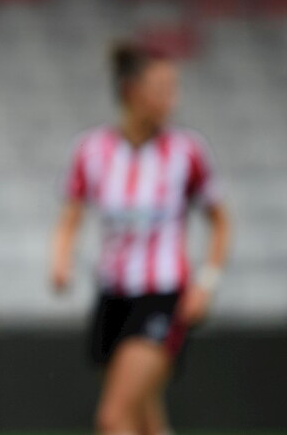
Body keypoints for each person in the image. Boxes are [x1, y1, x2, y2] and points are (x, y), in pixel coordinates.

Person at [51, 42, 230, 435]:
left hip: (163, 297)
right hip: (112, 297)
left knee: (113, 417)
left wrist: (207, 282)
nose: (172, 100)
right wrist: (61, 260)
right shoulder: (92, 150)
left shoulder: (186, 152)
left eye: (173, 89)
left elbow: (220, 221)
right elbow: (71, 216)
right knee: (146, 419)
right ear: (131, 91)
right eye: (162, 88)